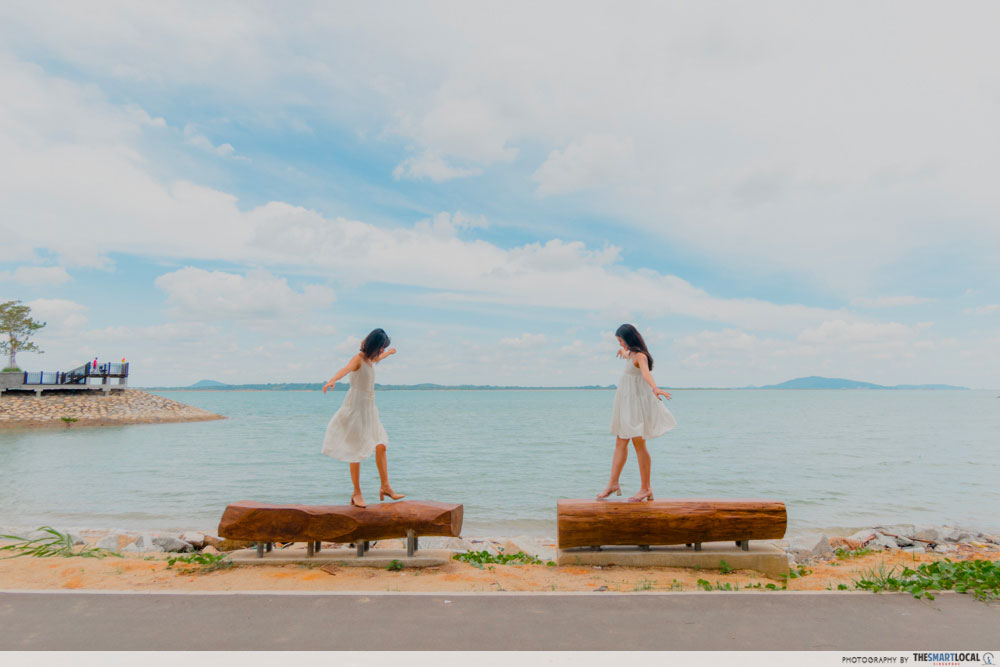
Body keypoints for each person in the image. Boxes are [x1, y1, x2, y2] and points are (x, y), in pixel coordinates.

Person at [321, 328, 404, 508]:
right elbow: (346, 369)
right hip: (355, 409)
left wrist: (389, 353)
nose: (382, 350)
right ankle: (356, 492)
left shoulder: (371, 360)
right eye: (382, 347)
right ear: (374, 345)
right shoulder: (359, 359)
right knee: (355, 450)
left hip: (369, 410)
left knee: (381, 445)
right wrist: (332, 380)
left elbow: (379, 359)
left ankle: (385, 487)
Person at [597, 323, 677, 502]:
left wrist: (655, 388)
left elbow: (646, 374)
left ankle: (645, 488)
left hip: (635, 406)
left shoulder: (640, 356)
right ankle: (613, 484)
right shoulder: (630, 354)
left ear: (629, 339)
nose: (620, 344)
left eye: (621, 341)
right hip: (626, 404)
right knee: (620, 442)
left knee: (639, 444)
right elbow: (627, 355)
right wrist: (622, 352)